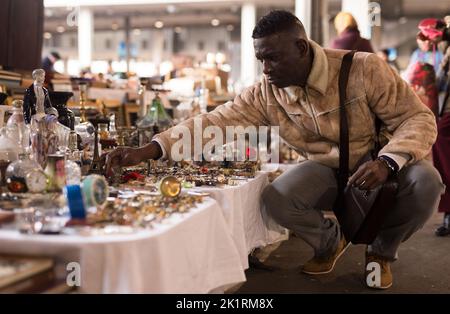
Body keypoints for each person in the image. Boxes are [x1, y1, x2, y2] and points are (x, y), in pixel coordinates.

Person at [104, 10, 443, 290]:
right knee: (276, 198)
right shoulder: (266, 92)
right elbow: (212, 123)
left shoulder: (364, 69)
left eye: (273, 58)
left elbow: (418, 119)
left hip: (377, 159)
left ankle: (382, 252)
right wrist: (149, 149)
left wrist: (388, 161)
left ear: (301, 48)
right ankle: (330, 241)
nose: (265, 69)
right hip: (327, 169)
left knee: (427, 182)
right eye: (260, 59)